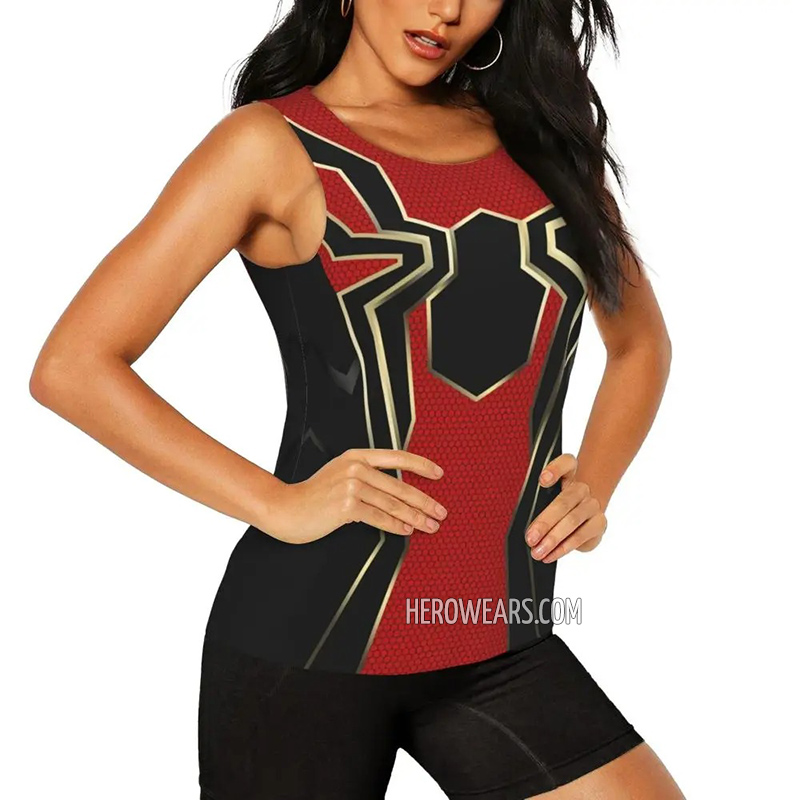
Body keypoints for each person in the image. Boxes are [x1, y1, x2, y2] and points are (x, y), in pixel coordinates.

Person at [29, 0, 684, 797]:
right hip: (304, 647)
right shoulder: (267, 145)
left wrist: (596, 486)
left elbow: (640, 344)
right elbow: (74, 365)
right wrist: (276, 503)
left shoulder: (543, 144)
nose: (446, 9)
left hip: (497, 641)